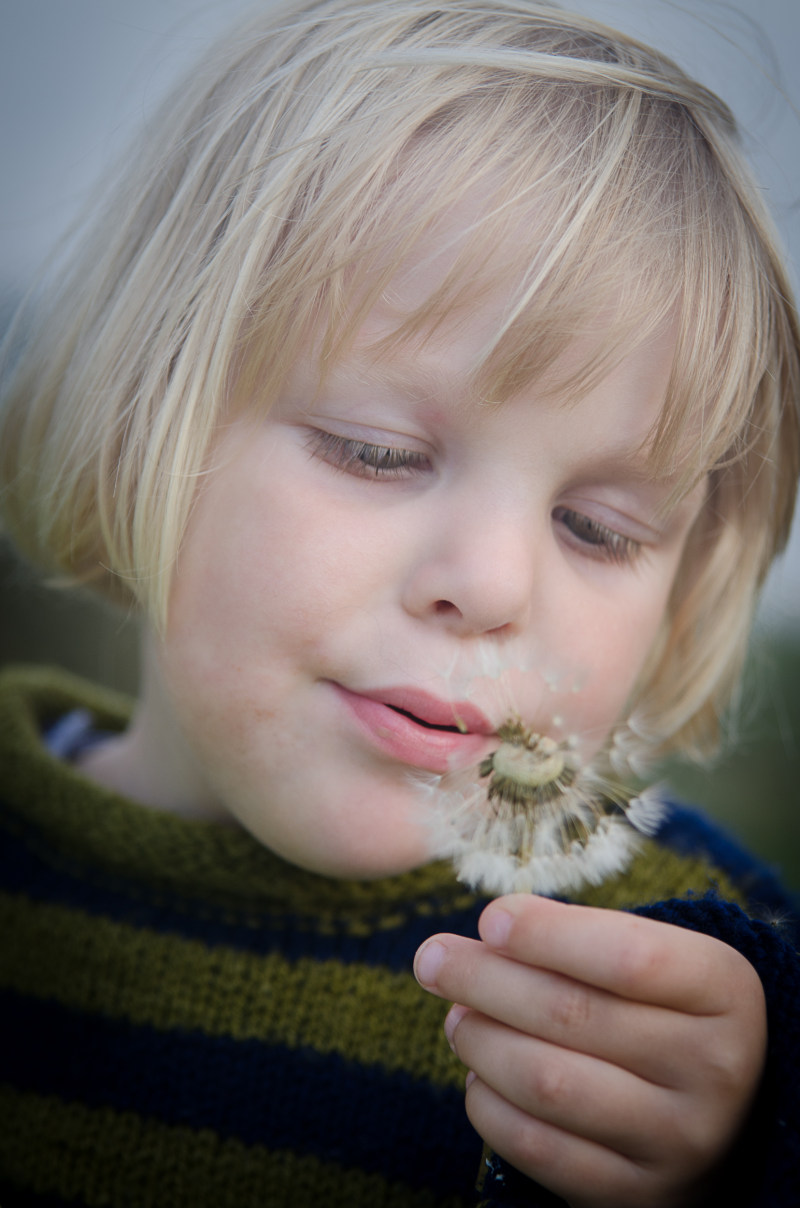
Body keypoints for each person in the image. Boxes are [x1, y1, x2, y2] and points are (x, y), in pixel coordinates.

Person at [0, 0, 798, 1204]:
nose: (486, 584)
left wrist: (744, 1158)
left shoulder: (698, 975)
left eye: (595, 527)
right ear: (141, 413)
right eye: (375, 450)